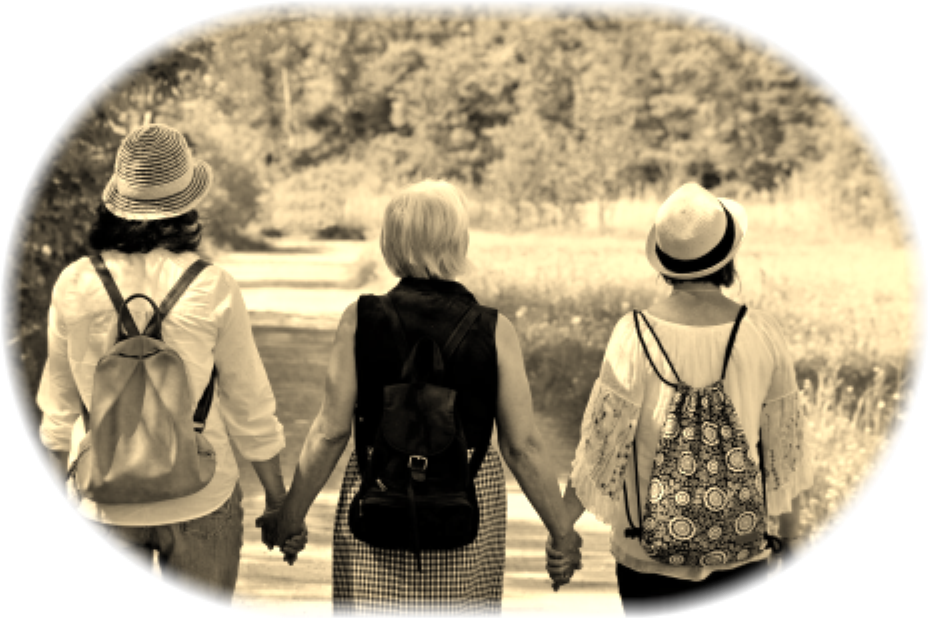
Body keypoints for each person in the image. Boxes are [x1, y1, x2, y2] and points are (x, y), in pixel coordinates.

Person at [259, 179, 582, 617]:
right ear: (458, 241)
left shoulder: (360, 319)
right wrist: (562, 533)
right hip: (466, 495)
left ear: (391, 242)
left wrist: (291, 514)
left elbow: (330, 432)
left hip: (379, 490)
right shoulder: (494, 329)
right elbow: (521, 446)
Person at [38, 123, 294, 608]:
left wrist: (58, 498)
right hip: (201, 495)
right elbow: (249, 404)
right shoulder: (211, 285)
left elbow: (58, 407)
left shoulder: (75, 283)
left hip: (102, 500)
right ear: (186, 205)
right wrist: (279, 501)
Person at [554, 183, 813, 617]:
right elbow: (784, 451)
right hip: (741, 550)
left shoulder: (633, 333)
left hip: (646, 556)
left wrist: (562, 529)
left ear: (665, 263)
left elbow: (602, 448)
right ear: (728, 257)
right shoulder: (763, 332)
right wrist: (793, 538)